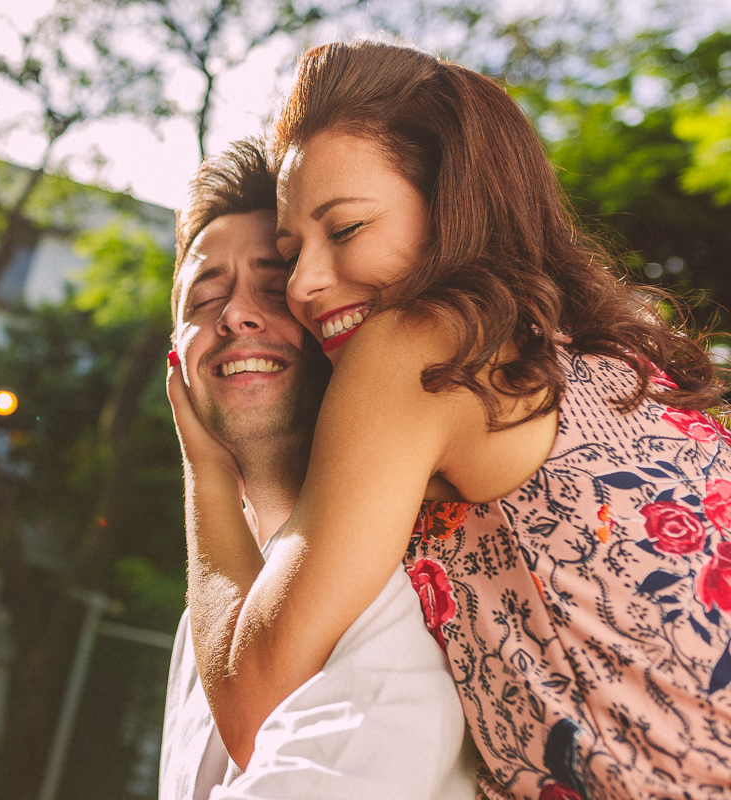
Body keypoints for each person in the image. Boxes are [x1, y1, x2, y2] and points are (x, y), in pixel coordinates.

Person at [167, 39, 731, 800]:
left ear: (454, 208)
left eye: (346, 230)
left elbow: (258, 710)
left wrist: (206, 469)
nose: (303, 285)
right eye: (294, 250)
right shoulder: (608, 360)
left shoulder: (419, 346)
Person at [160, 137, 477, 800]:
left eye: (274, 288)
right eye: (203, 299)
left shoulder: (413, 573)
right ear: (176, 362)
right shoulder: (202, 624)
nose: (236, 314)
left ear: (333, 322)